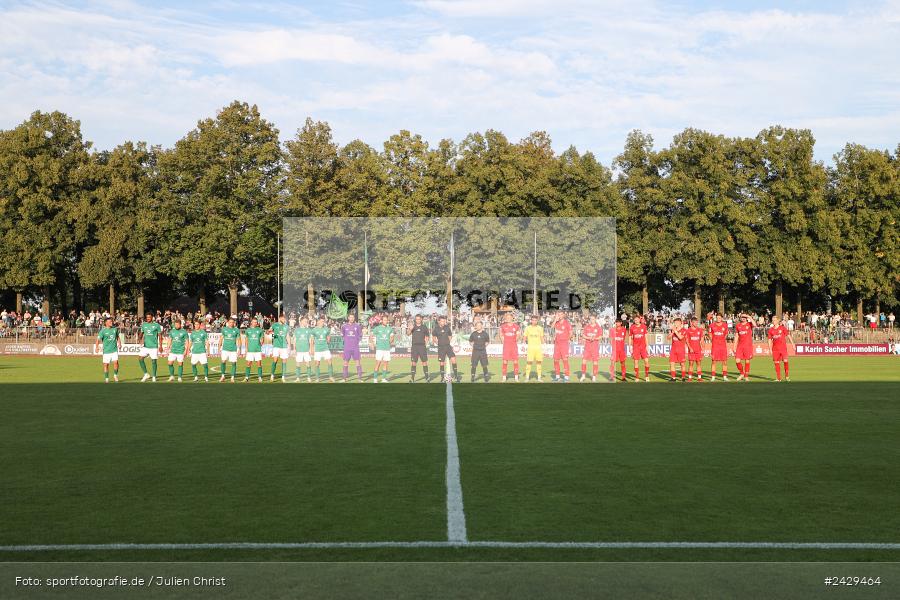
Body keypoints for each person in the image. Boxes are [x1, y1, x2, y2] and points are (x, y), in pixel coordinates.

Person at [432, 315, 460, 383]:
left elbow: (450, 336)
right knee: (442, 363)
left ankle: (456, 376)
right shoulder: (436, 329)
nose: (444, 322)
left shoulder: (447, 328)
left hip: (448, 346)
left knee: (453, 359)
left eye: (444, 321)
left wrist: (447, 342)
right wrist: (438, 342)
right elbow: (434, 338)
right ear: (439, 321)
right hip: (441, 348)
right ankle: (442, 378)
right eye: (442, 321)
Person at [767, 315, 794, 382]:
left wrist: (793, 344)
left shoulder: (782, 328)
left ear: (778, 321)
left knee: (785, 361)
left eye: (775, 320)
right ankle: (778, 378)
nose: (773, 321)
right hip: (775, 349)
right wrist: (770, 349)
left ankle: (787, 376)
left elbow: (788, 335)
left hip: (783, 348)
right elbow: (769, 340)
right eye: (773, 320)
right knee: (776, 362)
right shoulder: (771, 330)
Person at [138, 312, 162, 382]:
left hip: (154, 346)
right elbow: (141, 333)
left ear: (152, 317)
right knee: (140, 358)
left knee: (154, 361)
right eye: (147, 317)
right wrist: (139, 339)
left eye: (149, 317)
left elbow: (160, 336)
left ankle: (154, 376)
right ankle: (146, 374)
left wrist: (160, 346)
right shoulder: (144, 325)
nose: (148, 318)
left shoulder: (157, 325)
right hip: (146, 346)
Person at [95, 317, 120, 383]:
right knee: (106, 365)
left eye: (112, 321)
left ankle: (115, 375)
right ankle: (106, 378)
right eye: (110, 322)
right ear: (106, 323)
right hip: (106, 351)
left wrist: (119, 343)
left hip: (114, 350)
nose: (111, 322)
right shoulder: (103, 331)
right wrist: (97, 347)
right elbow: (98, 340)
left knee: (116, 362)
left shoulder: (115, 329)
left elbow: (117, 337)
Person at [371, 316, 394, 383]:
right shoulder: (377, 328)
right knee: (378, 363)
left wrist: (390, 341)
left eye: (386, 320)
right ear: (381, 321)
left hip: (387, 349)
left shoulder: (390, 329)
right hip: (379, 349)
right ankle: (375, 379)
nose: (386, 321)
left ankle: (384, 378)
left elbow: (392, 337)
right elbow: (371, 335)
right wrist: (372, 343)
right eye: (384, 320)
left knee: (385, 364)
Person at [341, 313, 364, 382]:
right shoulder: (344, 326)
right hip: (347, 348)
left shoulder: (357, 326)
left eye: (353, 317)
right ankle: (344, 378)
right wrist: (347, 342)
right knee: (345, 362)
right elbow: (342, 335)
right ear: (348, 318)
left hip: (355, 348)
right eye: (350, 317)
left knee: (358, 362)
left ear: (354, 318)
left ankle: (360, 378)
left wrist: (356, 342)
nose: (352, 318)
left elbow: (360, 336)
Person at [408, 314, 430, 383]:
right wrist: (410, 329)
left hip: (422, 347)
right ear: (415, 320)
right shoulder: (413, 326)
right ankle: (412, 378)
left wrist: (426, 342)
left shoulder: (424, 327)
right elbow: (408, 334)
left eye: (419, 319)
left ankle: (427, 378)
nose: (417, 320)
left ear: (421, 319)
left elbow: (427, 336)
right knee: (413, 362)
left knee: (424, 362)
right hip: (414, 347)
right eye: (416, 319)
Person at [499, 313, 521, 382]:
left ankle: (516, 377)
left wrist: (514, 341)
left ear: (512, 318)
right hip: (506, 346)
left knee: (515, 361)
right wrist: (504, 342)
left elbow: (518, 335)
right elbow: (501, 335)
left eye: (509, 317)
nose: (508, 318)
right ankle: (504, 377)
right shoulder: (503, 326)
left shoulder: (516, 326)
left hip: (514, 346)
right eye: (507, 317)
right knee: (505, 361)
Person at [311, 317, 334, 382]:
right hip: (318, 349)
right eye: (321, 321)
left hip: (325, 348)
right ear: (318, 322)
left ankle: (331, 377)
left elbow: (328, 336)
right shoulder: (314, 330)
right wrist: (312, 349)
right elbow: (312, 340)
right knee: (317, 364)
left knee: (330, 362)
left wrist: (328, 339)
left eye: (323, 321)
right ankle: (317, 378)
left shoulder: (326, 329)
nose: (322, 323)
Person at [552, 311, 573, 382]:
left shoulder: (567, 323)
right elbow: (552, 327)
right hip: (557, 344)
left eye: (561, 314)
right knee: (555, 360)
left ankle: (566, 377)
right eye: (558, 315)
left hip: (564, 344)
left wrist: (567, 339)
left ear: (563, 315)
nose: (559, 316)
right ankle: (557, 376)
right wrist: (555, 319)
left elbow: (571, 333)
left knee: (565, 360)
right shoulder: (557, 323)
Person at [580, 314, 602, 382]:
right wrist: (589, 338)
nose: (591, 320)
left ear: (595, 319)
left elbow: (600, 337)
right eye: (590, 319)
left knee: (595, 362)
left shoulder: (598, 327)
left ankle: (594, 376)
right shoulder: (587, 326)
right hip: (587, 347)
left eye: (593, 319)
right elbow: (583, 335)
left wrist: (594, 338)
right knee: (584, 360)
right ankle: (583, 376)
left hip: (595, 347)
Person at [243, 318, 265, 382]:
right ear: (251, 322)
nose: (255, 323)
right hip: (250, 350)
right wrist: (246, 348)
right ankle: (247, 377)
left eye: (256, 322)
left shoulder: (260, 330)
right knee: (248, 363)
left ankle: (260, 377)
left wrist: (262, 342)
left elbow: (262, 338)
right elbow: (246, 340)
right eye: (254, 322)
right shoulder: (248, 330)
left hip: (257, 349)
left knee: (259, 364)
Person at [524, 314, 545, 381]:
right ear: (531, 321)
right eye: (533, 320)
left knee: (539, 362)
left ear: (537, 321)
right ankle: (527, 377)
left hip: (538, 348)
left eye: (535, 320)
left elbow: (542, 338)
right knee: (529, 362)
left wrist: (544, 345)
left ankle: (539, 377)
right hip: (530, 348)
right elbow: (525, 337)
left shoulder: (540, 328)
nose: (534, 321)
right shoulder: (527, 328)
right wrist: (524, 344)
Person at [292, 316, 313, 382]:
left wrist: (310, 348)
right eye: (305, 321)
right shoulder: (296, 330)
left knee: (308, 364)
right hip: (299, 350)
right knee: (298, 364)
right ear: (301, 322)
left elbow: (310, 340)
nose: (306, 322)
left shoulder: (308, 330)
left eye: (307, 321)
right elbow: (294, 340)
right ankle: (298, 378)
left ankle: (309, 377)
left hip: (306, 350)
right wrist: (294, 349)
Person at [708, 312, 729, 381]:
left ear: (722, 318)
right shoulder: (712, 325)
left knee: (724, 361)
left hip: (723, 346)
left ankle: (725, 377)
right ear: (715, 318)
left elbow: (726, 334)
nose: (718, 319)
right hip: (715, 346)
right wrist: (713, 340)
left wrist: (723, 339)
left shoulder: (725, 325)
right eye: (717, 318)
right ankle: (713, 377)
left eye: (719, 318)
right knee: (714, 361)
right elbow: (710, 334)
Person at [733, 313, 754, 381]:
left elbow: (755, 325)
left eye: (744, 317)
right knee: (737, 360)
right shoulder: (738, 326)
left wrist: (749, 317)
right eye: (742, 317)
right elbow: (736, 336)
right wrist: (734, 346)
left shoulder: (749, 324)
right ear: (740, 318)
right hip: (740, 346)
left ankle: (746, 376)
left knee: (747, 361)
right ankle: (742, 373)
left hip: (748, 345)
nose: (743, 318)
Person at [629, 315, 650, 382]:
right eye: (635, 320)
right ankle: (637, 377)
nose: (636, 321)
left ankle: (647, 376)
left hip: (643, 347)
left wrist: (647, 346)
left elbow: (646, 337)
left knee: (646, 361)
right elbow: (630, 337)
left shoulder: (644, 326)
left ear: (639, 320)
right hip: (635, 347)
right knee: (636, 362)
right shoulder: (632, 327)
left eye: (637, 320)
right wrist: (630, 346)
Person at [219, 317, 240, 383]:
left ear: (234, 323)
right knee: (223, 361)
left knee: (233, 363)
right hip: (225, 348)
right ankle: (223, 376)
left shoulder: (236, 330)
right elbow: (221, 338)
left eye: (232, 322)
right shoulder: (224, 329)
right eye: (230, 322)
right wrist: (219, 347)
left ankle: (232, 377)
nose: (231, 323)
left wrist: (239, 348)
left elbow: (238, 340)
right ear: (228, 323)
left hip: (233, 349)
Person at [270, 313, 289, 382]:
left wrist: (289, 345)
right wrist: (269, 331)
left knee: (284, 361)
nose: (284, 320)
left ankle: (283, 376)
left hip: (284, 346)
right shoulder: (275, 325)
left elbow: (287, 336)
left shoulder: (286, 326)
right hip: (276, 346)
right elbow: (270, 330)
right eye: (283, 318)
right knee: (275, 360)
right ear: (280, 318)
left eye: (285, 318)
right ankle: (272, 375)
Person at [686, 317, 704, 381]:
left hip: (698, 350)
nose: (696, 323)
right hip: (691, 350)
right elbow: (687, 341)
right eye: (695, 322)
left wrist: (703, 348)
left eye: (697, 322)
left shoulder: (700, 330)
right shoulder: (688, 330)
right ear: (692, 323)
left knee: (698, 363)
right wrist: (690, 348)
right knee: (691, 363)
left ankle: (699, 377)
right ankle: (690, 377)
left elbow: (701, 340)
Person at [668, 317, 686, 381]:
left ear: (680, 323)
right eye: (675, 322)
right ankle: (673, 378)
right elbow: (668, 338)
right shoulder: (672, 330)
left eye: (677, 322)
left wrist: (675, 331)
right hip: (673, 349)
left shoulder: (684, 330)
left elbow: (681, 337)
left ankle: (683, 377)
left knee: (682, 364)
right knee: (672, 363)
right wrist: (672, 332)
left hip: (681, 350)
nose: (675, 324)